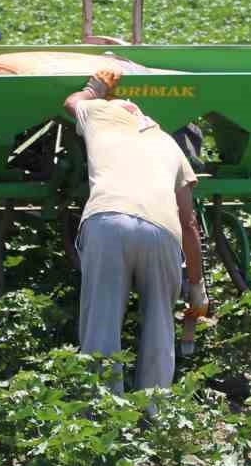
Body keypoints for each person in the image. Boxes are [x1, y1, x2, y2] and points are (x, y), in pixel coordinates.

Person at [62, 69, 210, 393]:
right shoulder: (169, 144)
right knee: (160, 327)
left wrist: (96, 87)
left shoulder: (102, 114)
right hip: (162, 232)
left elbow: (72, 102)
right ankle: (155, 416)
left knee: (101, 325)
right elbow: (189, 223)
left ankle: (102, 420)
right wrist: (197, 286)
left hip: (108, 222)